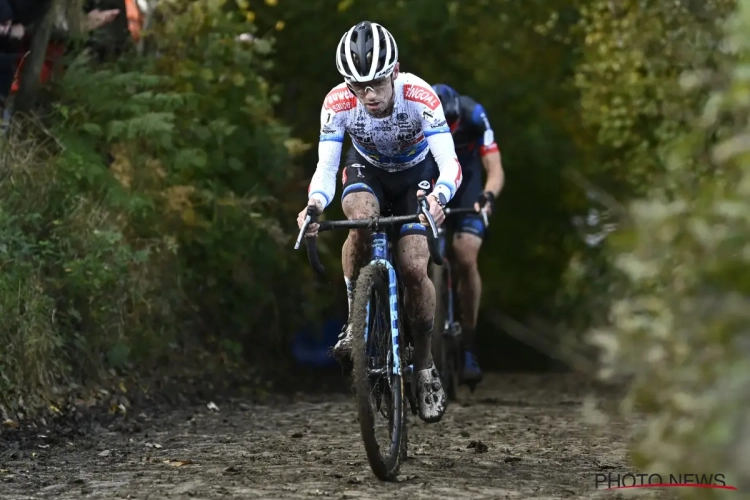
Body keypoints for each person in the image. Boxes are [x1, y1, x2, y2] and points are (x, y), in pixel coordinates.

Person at [297, 21, 462, 423]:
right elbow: (326, 167)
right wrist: (314, 205)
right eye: (357, 85)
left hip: (415, 173)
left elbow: (450, 164)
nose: (367, 95)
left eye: (375, 84)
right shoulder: (338, 103)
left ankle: (423, 365)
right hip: (365, 170)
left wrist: (439, 198)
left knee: (412, 266)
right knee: (360, 223)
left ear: (395, 71)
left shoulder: (420, 96)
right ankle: (357, 319)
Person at [431, 83, 505, 387]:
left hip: (469, 184)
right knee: (415, 250)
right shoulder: (420, 116)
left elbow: (495, 168)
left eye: (452, 126)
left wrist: (488, 195)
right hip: (433, 179)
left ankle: (469, 342)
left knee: (465, 253)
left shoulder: (474, 114)